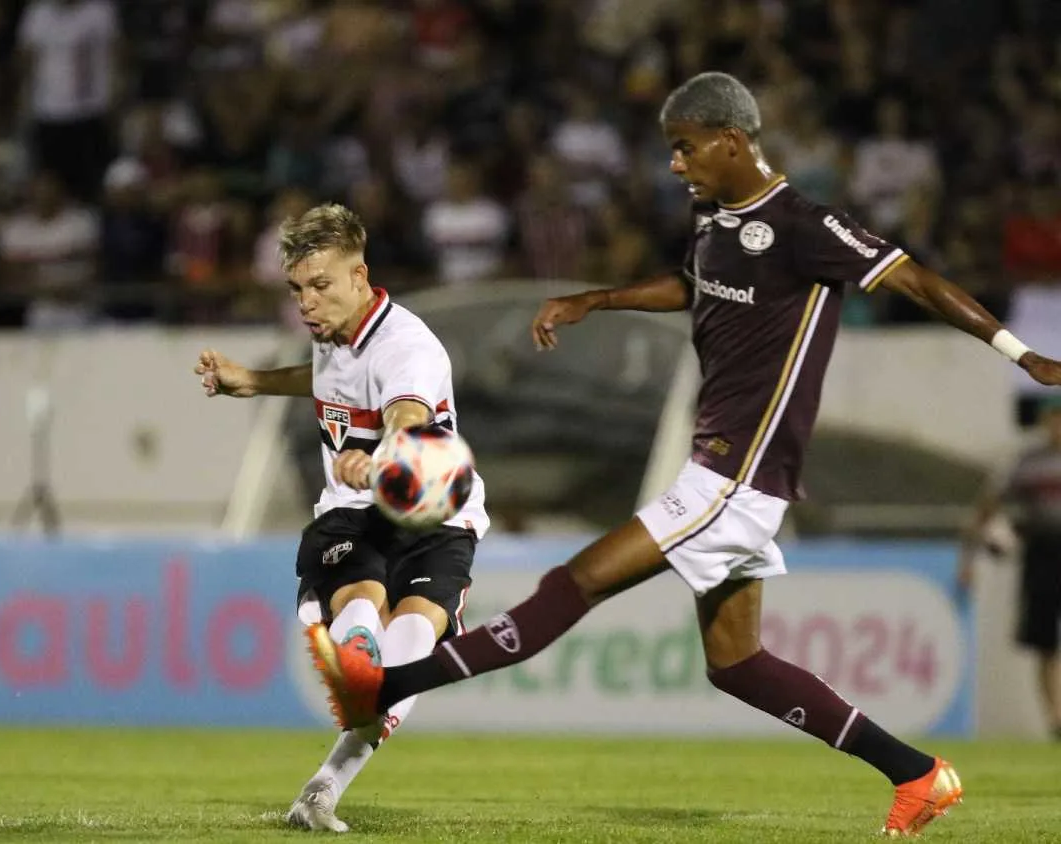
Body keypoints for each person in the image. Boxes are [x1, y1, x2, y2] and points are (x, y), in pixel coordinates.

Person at [305, 72, 1061, 837]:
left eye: (686, 147)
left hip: (737, 474)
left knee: (578, 580)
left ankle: (389, 683)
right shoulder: (712, 219)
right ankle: (919, 775)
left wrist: (1020, 352)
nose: (675, 164)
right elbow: (692, 285)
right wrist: (595, 299)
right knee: (735, 663)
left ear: (732, 140)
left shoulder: (803, 225)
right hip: (723, 472)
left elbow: (920, 281)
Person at [193, 203, 489, 832]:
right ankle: (359, 663)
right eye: (297, 288)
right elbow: (333, 381)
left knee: (407, 644)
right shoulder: (333, 331)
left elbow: (406, 413)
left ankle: (327, 773)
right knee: (368, 613)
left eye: (320, 286)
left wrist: (377, 455)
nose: (306, 302)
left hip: (436, 513)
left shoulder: (410, 347)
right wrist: (253, 381)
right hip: (354, 515)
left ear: (361, 275)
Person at [959, 396, 1061, 740]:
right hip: (1043, 554)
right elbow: (988, 507)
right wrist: (969, 558)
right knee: (1044, 639)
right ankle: (1055, 718)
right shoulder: (1027, 463)